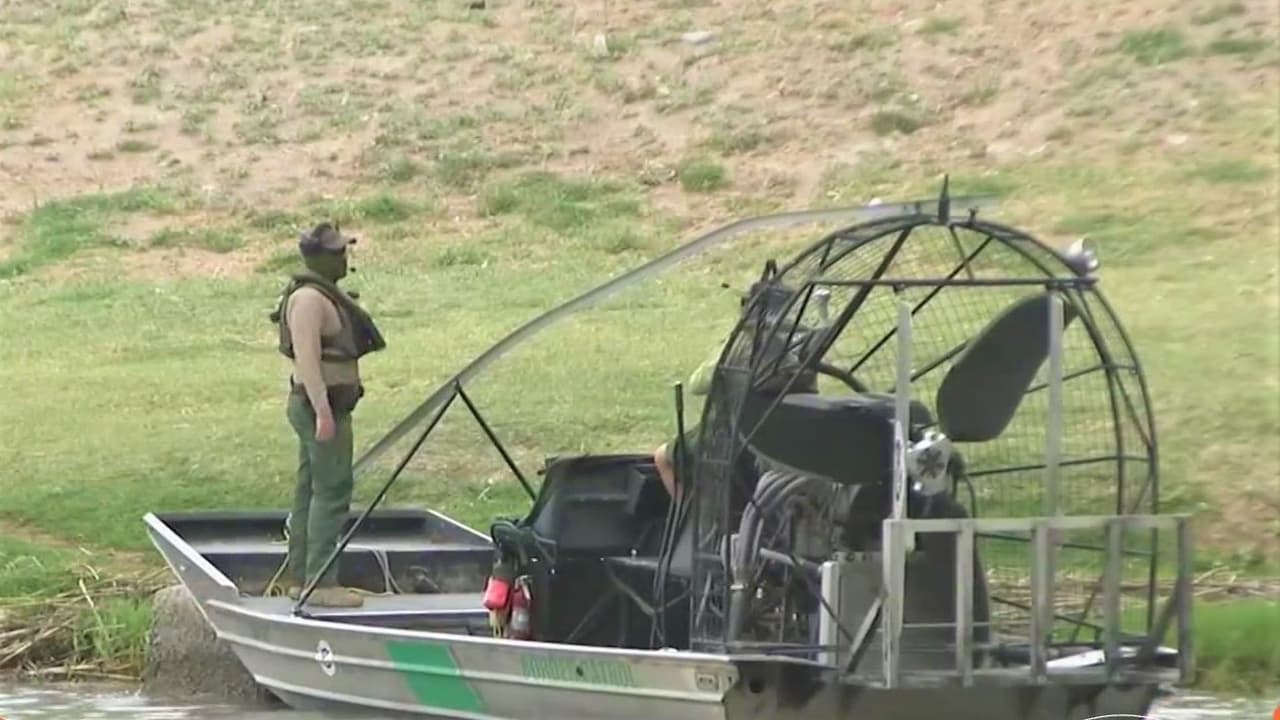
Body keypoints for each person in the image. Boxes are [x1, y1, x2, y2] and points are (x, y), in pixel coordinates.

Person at [271, 222, 387, 607]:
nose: (344, 259)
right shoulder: (307, 301)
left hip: (327, 407)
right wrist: (323, 411)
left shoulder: (322, 295)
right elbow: (307, 361)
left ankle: (302, 575)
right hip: (320, 407)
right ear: (318, 258)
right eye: (337, 253)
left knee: (310, 490)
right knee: (332, 491)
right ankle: (320, 582)